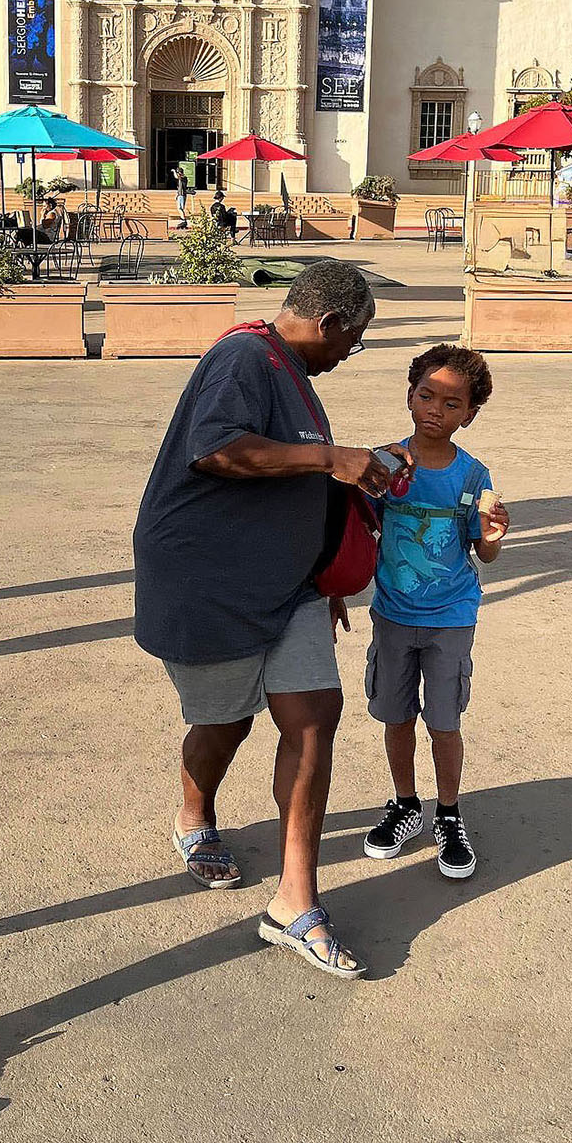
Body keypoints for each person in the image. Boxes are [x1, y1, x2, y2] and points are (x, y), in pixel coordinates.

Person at [133, 260, 411, 978]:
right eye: (354, 339)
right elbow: (221, 450)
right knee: (226, 722)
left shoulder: (292, 374)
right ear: (329, 324)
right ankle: (195, 812)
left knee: (315, 715)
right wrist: (330, 456)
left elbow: (297, 475)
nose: (351, 353)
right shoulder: (243, 358)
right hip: (209, 580)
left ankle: (295, 903)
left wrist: (324, 558)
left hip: (289, 587)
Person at [361, 344, 509, 880]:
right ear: (409, 396)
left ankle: (448, 813)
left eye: (452, 404)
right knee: (395, 715)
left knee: (444, 720)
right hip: (393, 614)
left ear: (469, 414)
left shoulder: (473, 475)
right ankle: (406, 804)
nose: (436, 410)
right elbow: (357, 531)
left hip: (451, 616)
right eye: (427, 396)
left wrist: (492, 538)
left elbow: (481, 548)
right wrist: (334, 591)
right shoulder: (384, 462)